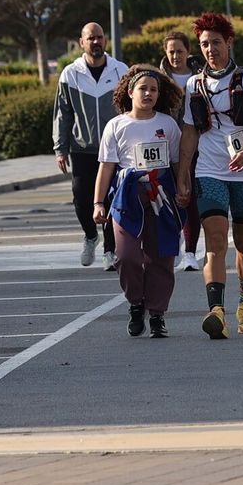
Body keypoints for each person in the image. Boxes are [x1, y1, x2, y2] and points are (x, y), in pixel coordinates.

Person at [175, 12, 243, 339]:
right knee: (215, 242)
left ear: (228, 42)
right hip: (210, 172)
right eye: (204, 44)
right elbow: (189, 132)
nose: (210, 49)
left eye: (216, 42)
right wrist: (183, 175)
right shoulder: (193, 84)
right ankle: (216, 311)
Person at [93, 66, 185, 339]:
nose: (148, 94)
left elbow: (179, 162)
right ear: (130, 92)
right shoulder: (116, 125)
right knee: (127, 256)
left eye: (153, 90)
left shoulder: (167, 124)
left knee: (161, 257)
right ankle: (136, 303)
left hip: (161, 195)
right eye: (143, 89)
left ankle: (157, 314)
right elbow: (106, 168)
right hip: (127, 197)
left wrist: (183, 187)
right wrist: (98, 203)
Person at [53, 22, 130, 270]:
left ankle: (110, 251)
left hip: (114, 149)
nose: (96, 42)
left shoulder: (121, 71)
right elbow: (62, 114)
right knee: (81, 198)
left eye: (99, 37)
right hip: (82, 148)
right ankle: (90, 235)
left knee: (110, 200)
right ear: (81, 42)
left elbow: (131, 110)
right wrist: (60, 147)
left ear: (104, 40)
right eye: (91, 38)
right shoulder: (70, 74)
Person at [160, 30, 204, 273]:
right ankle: (171, 243)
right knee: (168, 199)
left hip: (195, 146)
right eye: (171, 51)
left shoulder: (201, 77)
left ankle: (189, 253)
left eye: (180, 51)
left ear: (188, 51)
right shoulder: (158, 78)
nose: (176, 55)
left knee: (190, 199)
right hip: (164, 147)